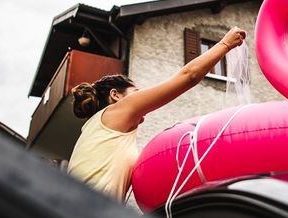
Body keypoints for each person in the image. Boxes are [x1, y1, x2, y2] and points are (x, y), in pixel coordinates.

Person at [67, 26, 247, 201]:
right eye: (137, 92)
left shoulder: (96, 130)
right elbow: (189, 76)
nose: (142, 98)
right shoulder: (117, 111)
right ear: (115, 95)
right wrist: (225, 44)